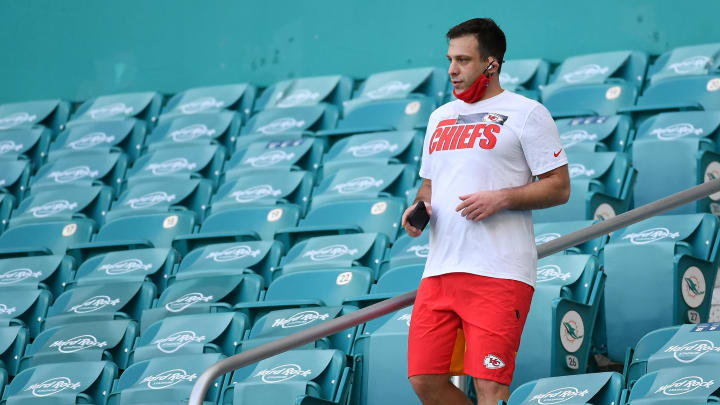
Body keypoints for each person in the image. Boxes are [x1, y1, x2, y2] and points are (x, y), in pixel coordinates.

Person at [402, 18, 570, 405]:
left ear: (491, 64)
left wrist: (502, 198)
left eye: (462, 60)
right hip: (440, 270)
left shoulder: (527, 112)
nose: (451, 70)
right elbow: (429, 185)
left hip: (499, 271)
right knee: (424, 381)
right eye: (449, 59)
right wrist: (418, 209)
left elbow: (559, 187)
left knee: (490, 387)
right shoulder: (439, 117)